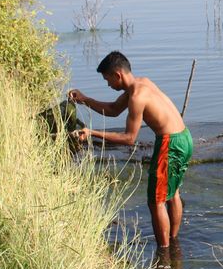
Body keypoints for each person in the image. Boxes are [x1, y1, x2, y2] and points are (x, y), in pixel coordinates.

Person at [68, 51, 192, 248]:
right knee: (172, 192)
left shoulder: (136, 96)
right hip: (184, 137)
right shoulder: (143, 83)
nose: (108, 85)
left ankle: (165, 253)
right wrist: (84, 99)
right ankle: (174, 243)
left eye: (107, 79)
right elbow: (113, 110)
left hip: (170, 143)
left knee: (156, 201)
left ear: (118, 75)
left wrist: (92, 133)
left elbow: (129, 138)